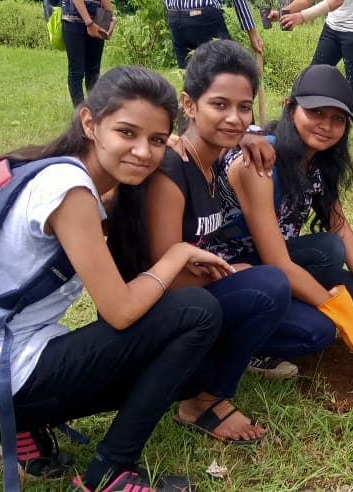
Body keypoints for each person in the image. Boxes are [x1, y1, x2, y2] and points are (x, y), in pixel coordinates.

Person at [0, 66, 233, 491]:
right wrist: (178, 254)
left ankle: (21, 427)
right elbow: (121, 310)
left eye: (157, 140)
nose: (144, 152)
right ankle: (108, 473)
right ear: (90, 122)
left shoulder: (61, 173)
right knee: (198, 311)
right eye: (127, 132)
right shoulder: (71, 191)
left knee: (194, 369)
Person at [107, 40, 290, 443]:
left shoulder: (210, 164)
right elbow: (163, 277)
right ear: (188, 105)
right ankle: (202, 401)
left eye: (244, 107)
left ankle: (205, 384)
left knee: (266, 284)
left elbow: (238, 134)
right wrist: (230, 275)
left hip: (188, 307)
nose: (235, 118)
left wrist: (249, 135)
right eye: (219, 105)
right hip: (147, 318)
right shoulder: (172, 168)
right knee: (269, 285)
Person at [211, 64, 353, 378]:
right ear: (290, 107)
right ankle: (241, 344)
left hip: (267, 263)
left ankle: (283, 316)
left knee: (349, 277)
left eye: (337, 119)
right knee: (319, 332)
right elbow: (278, 263)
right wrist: (342, 317)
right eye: (316, 113)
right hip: (230, 272)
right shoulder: (258, 160)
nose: (326, 125)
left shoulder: (317, 168)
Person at [271, 0, 353, 151]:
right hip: (333, 28)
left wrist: (301, 17)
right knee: (312, 77)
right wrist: (283, 12)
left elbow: (336, 2)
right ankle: (288, 124)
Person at [164, 0, 265, 69]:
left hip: (175, 17)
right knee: (227, 70)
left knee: (190, 78)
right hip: (205, 18)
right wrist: (253, 34)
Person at [61, 0, 115, 107]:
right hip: (74, 18)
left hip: (99, 18)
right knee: (76, 72)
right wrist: (88, 22)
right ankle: (81, 113)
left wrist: (111, 16)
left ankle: (95, 110)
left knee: (94, 72)